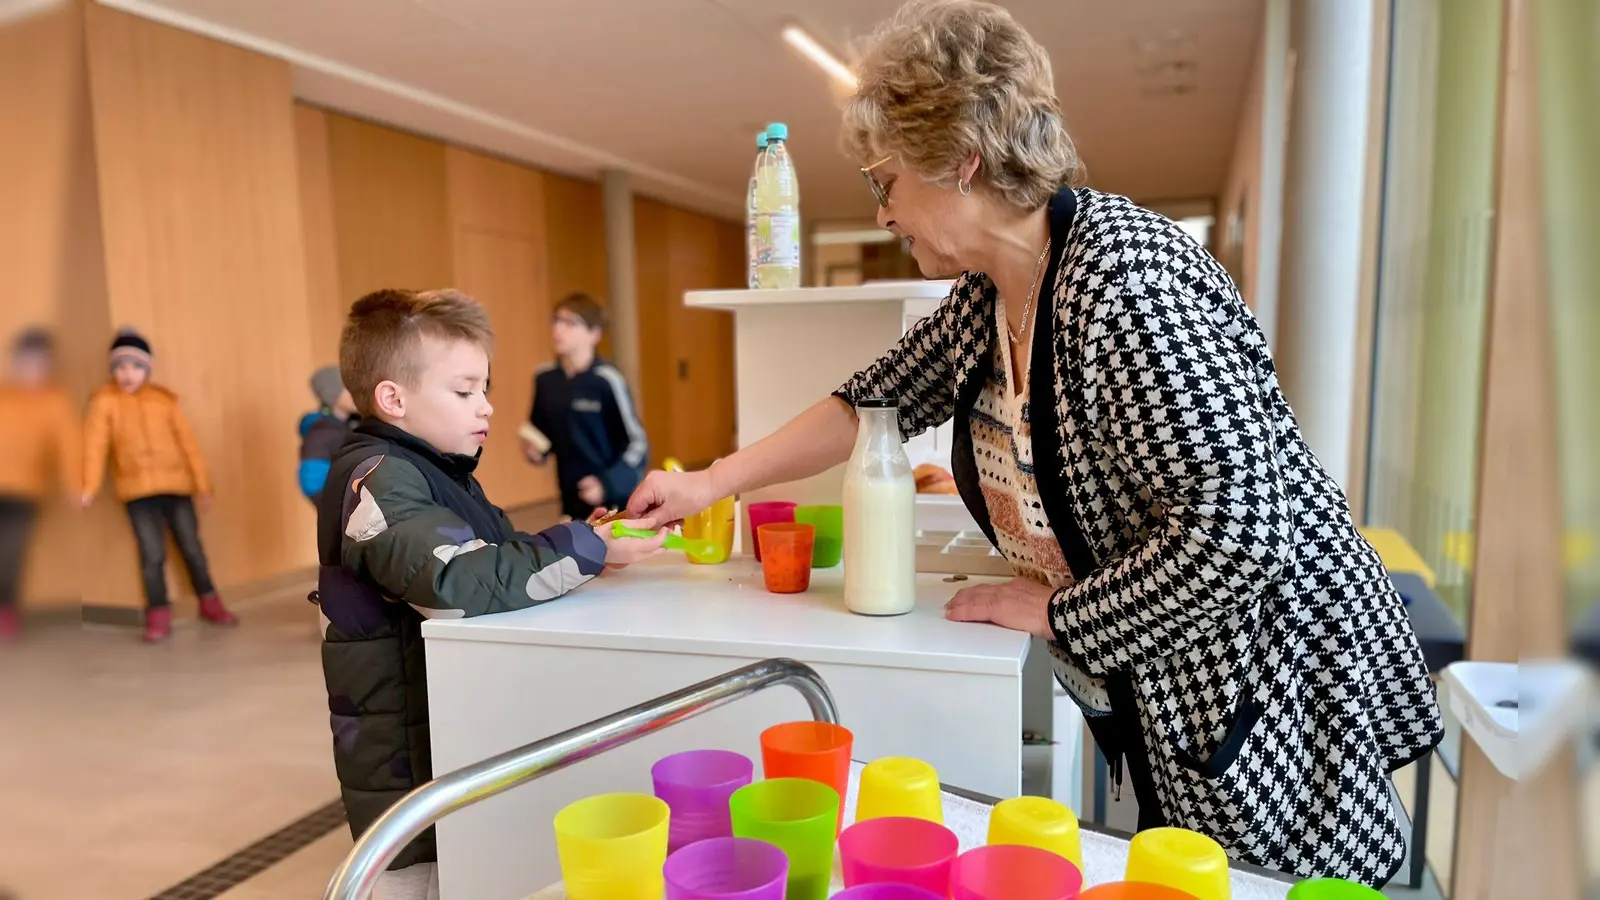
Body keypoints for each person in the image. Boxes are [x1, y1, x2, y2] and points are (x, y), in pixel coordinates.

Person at [626, 0, 1441, 886]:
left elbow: (1238, 539)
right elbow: (871, 402)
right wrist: (709, 483)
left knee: (1275, 884)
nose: (884, 210)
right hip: (1173, 679)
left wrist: (1055, 613)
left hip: (1265, 689)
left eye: (885, 179)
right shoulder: (997, 290)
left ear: (959, 158)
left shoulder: (1128, 286)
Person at [315, 289, 665, 897]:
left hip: (446, 730)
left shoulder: (435, 469)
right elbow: (457, 581)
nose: (488, 406)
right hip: (407, 764)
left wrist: (588, 542)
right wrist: (580, 549)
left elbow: (496, 553)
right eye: (465, 390)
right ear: (393, 398)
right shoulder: (378, 478)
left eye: (485, 388)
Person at [83, 327, 237, 642]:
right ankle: (158, 614)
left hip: (177, 487)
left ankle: (210, 603)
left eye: (136, 366)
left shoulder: (164, 401)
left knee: (192, 548)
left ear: (147, 369)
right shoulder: (104, 402)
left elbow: (188, 445)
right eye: (120, 366)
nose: (128, 373)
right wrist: (87, 486)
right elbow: (93, 446)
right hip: (137, 492)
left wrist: (203, 486)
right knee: (152, 554)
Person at [525, 292, 649, 521]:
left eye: (570, 323)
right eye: (556, 320)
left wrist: (607, 484)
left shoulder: (607, 380)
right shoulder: (545, 380)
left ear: (594, 334)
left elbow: (637, 443)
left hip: (613, 501)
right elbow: (542, 436)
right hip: (570, 500)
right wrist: (535, 453)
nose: (558, 329)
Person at [0, 329, 79, 640]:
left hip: (23, 491)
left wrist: (76, 486)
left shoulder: (55, 400)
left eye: (40, 363)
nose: (33, 369)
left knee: (9, 553)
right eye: (26, 361)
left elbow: (68, 445)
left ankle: (4, 611)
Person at [298, 365, 358, 504]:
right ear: (333, 395)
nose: (356, 394)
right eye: (348, 389)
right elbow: (313, 484)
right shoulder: (320, 433)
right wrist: (342, 507)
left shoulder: (354, 423)